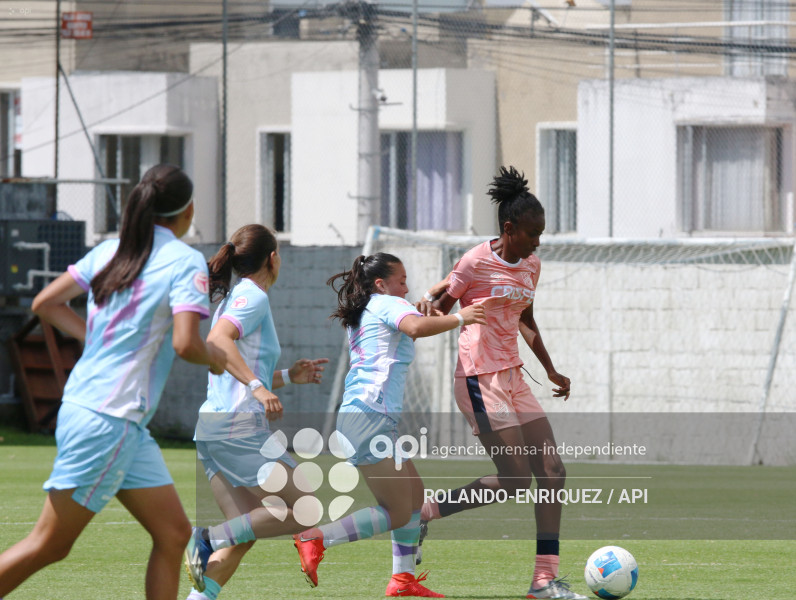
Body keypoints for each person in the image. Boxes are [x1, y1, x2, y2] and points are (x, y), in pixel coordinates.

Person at [0, 164, 226, 600]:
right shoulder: (185, 260)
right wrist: (214, 357)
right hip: (111, 420)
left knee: (174, 533)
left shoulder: (112, 250)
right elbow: (186, 344)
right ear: (188, 210)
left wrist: (96, 337)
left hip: (103, 415)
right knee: (49, 544)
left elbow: (46, 302)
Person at [415, 166, 586, 600]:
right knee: (514, 478)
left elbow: (525, 317)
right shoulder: (474, 262)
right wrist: (428, 308)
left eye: (541, 234)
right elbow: (441, 309)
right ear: (509, 229)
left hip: (513, 377)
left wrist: (549, 367)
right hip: (478, 379)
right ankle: (424, 512)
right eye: (532, 233)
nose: (537, 242)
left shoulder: (532, 265)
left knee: (552, 471)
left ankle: (544, 581)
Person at [292, 252, 487, 598]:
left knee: (413, 499)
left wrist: (430, 295)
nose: (406, 287)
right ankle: (317, 537)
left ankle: (403, 581)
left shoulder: (372, 306)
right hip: (369, 418)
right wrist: (461, 317)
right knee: (397, 511)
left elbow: (413, 317)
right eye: (401, 281)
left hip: (368, 417)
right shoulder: (384, 304)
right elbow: (414, 326)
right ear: (381, 284)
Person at [182, 224, 328, 600]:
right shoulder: (253, 297)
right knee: (306, 507)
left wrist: (284, 378)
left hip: (214, 429)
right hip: (237, 427)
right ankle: (205, 538)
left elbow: (235, 367)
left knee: (244, 532)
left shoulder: (236, 299)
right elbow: (217, 341)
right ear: (272, 259)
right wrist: (258, 386)